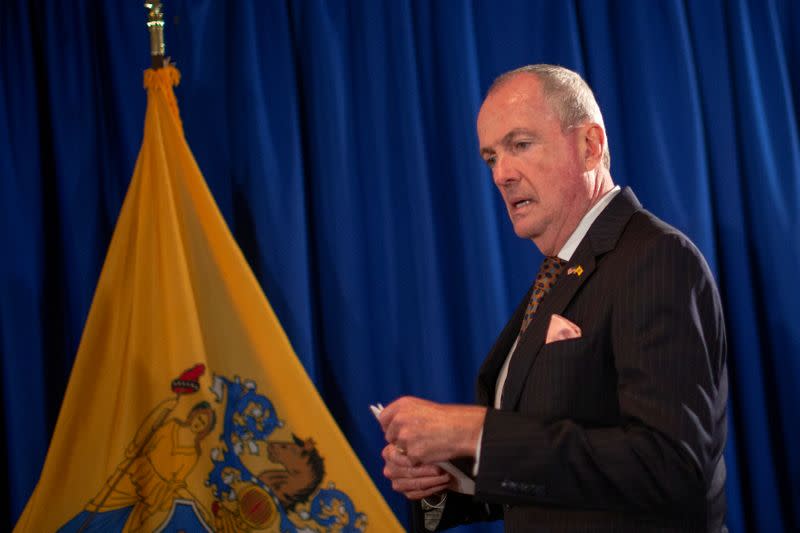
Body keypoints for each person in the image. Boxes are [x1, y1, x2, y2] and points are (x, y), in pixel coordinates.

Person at [378, 64, 728, 532]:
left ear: (590, 146)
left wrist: (476, 432)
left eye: (520, 145)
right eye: (490, 157)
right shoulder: (560, 274)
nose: (501, 174)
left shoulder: (655, 257)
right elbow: (555, 476)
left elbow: (670, 467)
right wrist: (449, 478)